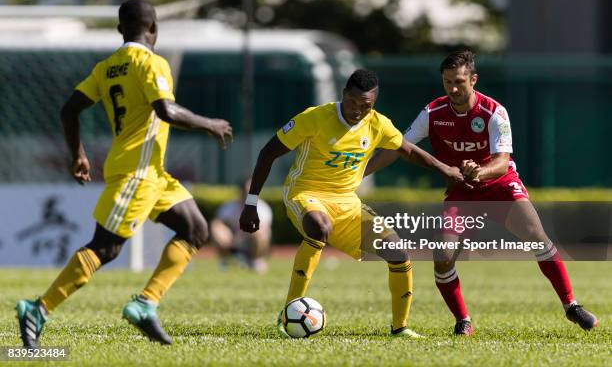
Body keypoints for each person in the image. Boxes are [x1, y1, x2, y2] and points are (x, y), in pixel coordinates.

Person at [15, 0, 233, 347]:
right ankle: (38, 309)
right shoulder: (152, 63)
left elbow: (69, 110)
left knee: (195, 229)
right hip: (137, 173)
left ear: (120, 29)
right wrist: (210, 124)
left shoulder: (108, 66)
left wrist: (78, 155)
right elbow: (166, 110)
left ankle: (146, 304)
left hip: (154, 173)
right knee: (106, 248)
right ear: (154, 30)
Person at [365, 49, 598, 335]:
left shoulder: (494, 112)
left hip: (499, 185)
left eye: (459, 82)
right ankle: (463, 320)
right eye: (447, 82)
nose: (453, 88)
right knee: (443, 253)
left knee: (537, 237)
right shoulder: (433, 112)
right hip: (462, 193)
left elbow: (501, 163)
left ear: (473, 80)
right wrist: (358, 173)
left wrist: (479, 171)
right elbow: (398, 148)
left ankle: (571, 306)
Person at [239, 69, 466, 338]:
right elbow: (268, 152)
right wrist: (251, 202)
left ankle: (400, 327)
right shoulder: (315, 117)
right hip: (305, 193)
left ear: (374, 103)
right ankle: (289, 311)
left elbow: (406, 150)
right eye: (353, 102)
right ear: (344, 94)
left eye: (366, 105)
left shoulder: (378, 124)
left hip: (347, 202)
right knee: (318, 227)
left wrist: (445, 169)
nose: (358, 110)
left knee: (398, 252)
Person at [210, 178, 272, 273]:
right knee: (216, 226)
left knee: (259, 232)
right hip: (232, 243)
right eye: (246, 190)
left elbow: (263, 231)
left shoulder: (262, 208)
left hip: (251, 243)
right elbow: (217, 224)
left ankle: (256, 260)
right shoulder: (229, 207)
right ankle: (227, 260)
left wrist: (242, 236)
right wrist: (226, 235)